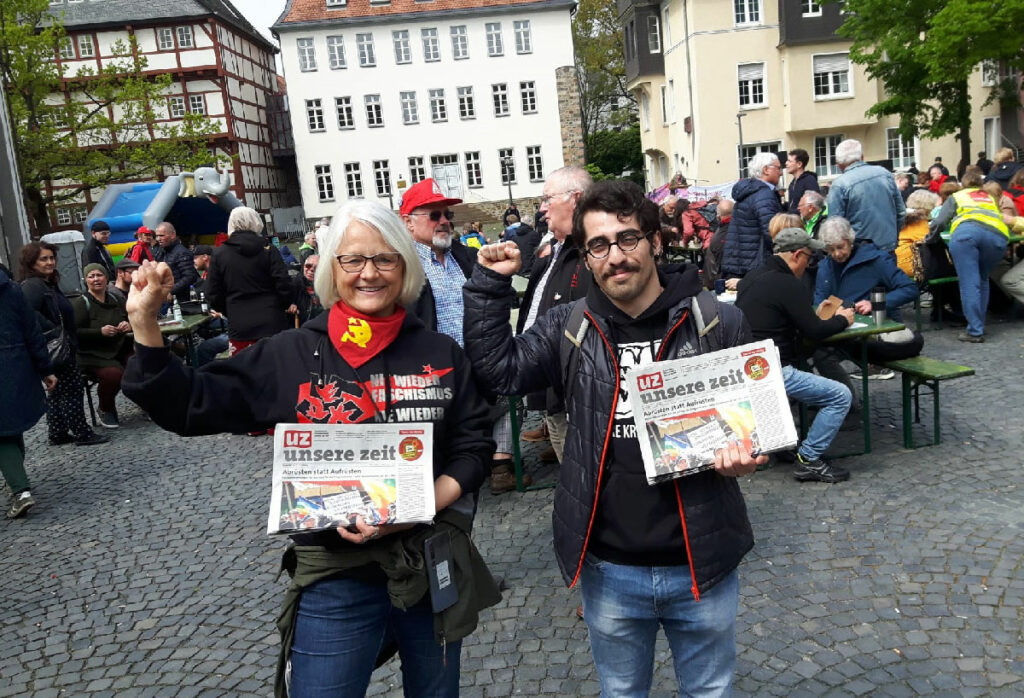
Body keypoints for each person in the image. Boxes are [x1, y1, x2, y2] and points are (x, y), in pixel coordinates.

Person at [120, 199, 500, 698]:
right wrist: (145, 324)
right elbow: (191, 403)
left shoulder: (439, 353)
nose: (370, 273)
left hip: (428, 563)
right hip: (334, 575)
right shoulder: (292, 353)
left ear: (405, 266)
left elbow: (474, 449)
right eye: (353, 260)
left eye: (385, 259)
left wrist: (418, 506)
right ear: (329, 269)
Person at [463, 180, 764, 696]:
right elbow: (500, 373)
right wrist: (489, 286)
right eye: (599, 245)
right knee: (622, 692)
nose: (615, 257)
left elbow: (757, 422)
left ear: (655, 241)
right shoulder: (570, 325)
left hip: (700, 556)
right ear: (585, 255)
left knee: (710, 691)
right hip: (609, 563)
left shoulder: (715, 319)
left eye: (627, 239)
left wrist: (747, 455)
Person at [400, 178, 521, 493]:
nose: (444, 222)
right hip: (432, 368)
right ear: (408, 223)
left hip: (477, 357)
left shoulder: (465, 255)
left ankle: (500, 465)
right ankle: (444, 474)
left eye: (447, 216)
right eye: (434, 215)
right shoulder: (400, 265)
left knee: (509, 396)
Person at [735, 229, 855, 483]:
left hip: (747, 365)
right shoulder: (787, 283)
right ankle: (809, 459)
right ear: (798, 255)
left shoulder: (754, 276)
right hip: (771, 368)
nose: (809, 265)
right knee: (840, 395)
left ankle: (785, 445)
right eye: (810, 258)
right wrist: (842, 320)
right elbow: (814, 330)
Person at [516, 165, 594, 468]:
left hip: (576, 382)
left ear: (575, 200)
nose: (542, 208)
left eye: (548, 199)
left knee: (582, 466)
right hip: (550, 377)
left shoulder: (591, 250)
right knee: (568, 460)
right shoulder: (556, 248)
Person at [17, 243, 107, 447]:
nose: (49, 262)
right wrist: (54, 329)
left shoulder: (46, 282)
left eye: (51, 258)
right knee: (72, 389)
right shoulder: (33, 285)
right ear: (31, 262)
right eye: (43, 259)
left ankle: (57, 432)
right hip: (55, 345)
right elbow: (28, 315)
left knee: (58, 391)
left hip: (58, 344)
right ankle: (82, 432)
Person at [814, 217, 922, 386]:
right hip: (839, 328)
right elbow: (819, 300)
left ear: (850, 241)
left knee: (823, 354)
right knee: (815, 353)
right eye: (830, 249)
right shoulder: (825, 265)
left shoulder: (876, 260)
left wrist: (875, 304)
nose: (836, 254)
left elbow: (910, 288)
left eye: (840, 247)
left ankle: (846, 402)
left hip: (871, 330)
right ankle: (839, 398)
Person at [0, 265, 57, 518]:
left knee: (3, 433)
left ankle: (20, 490)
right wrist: (45, 368)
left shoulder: (12, 290)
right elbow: (32, 331)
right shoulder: (12, 289)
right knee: (10, 426)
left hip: (12, 364)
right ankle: (17, 481)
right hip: (17, 367)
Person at [928, 170, 1009, 342]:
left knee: (969, 283)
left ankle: (974, 330)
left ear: (963, 185)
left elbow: (940, 222)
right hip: (997, 237)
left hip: (967, 235)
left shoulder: (957, 196)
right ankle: (979, 324)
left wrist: (931, 239)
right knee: (983, 279)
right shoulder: (989, 198)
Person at [205, 207, 293, 355]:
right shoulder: (268, 250)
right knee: (278, 369)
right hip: (271, 319)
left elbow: (213, 293)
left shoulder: (220, 254)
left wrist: (230, 310)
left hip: (239, 323)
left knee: (244, 371)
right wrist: (281, 305)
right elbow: (284, 283)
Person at [72, 264, 132, 428]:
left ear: (106, 278)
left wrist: (127, 325)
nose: (96, 279)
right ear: (86, 280)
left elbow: (129, 317)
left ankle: (148, 402)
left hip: (117, 348)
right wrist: (99, 332)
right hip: (92, 354)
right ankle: (105, 408)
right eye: (91, 276)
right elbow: (74, 332)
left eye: (99, 275)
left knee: (139, 362)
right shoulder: (81, 303)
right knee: (114, 374)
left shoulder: (115, 299)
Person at [827, 139, 906, 252]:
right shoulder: (885, 174)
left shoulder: (839, 185)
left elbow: (835, 226)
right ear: (862, 157)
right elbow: (901, 212)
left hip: (859, 253)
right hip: (888, 247)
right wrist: (893, 238)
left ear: (839, 165)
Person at [722, 151, 783, 279]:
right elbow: (771, 231)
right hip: (755, 264)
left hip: (740, 262)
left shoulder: (749, 192)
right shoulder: (764, 195)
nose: (781, 172)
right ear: (766, 170)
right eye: (778, 168)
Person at [896, 190, 940, 280]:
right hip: (911, 268)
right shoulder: (920, 223)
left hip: (895, 264)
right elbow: (929, 240)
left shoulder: (903, 219)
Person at [153, 222, 198, 302]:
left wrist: (171, 291)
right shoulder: (160, 253)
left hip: (183, 300)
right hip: (168, 299)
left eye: (162, 235)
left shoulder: (181, 252)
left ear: (173, 235)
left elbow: (190, 276)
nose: (158, 239)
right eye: (157, 236)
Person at [702, 198, 732, 288]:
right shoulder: (739, 227)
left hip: (720, 282)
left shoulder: (722, 233)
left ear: (718, 216)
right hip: (723, 280)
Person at [289, 254, 324, 325]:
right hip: (303, 327)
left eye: (317, 268)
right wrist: (290, 304)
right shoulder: (294, 284)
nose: (311, 269)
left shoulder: (327, 286)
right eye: (308, 266)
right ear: (303, 266)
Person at [785, 148, 819, 214]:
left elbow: (813, 205)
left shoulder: (809, 181)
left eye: (790, 161)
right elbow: (793, 205)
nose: (786, 163)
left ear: (799, 164)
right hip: (795, 222)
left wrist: (792, 213)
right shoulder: (792, 183)